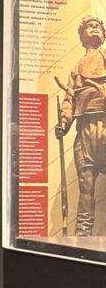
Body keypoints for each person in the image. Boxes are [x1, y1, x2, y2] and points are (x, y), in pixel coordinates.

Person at [55, 15, 106, 237]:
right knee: (86, 188)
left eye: (97, 26)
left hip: (104, 125)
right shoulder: (76, 68)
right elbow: (69, 100)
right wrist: (64, 122)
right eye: (89, 26)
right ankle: (82, 237)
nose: (93, 29)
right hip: (84, 132)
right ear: (82, 35)